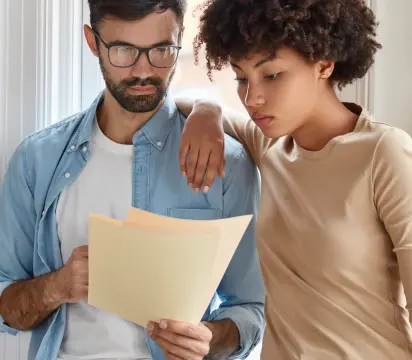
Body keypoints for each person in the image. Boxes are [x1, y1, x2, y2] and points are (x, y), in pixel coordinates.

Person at [0, 1, 265, 359]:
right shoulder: (37, 160)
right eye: (124, 50)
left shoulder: (227, 164)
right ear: (92, 42)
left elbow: (251, 307)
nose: (144, 71)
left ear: (180, 40)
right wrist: (56, 287)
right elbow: (6, 306)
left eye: (161, 50)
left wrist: (210, 338)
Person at [175, 0, 412, 359]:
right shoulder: (269, 145)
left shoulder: (384, 153)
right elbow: (186, 100)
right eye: (241, 78)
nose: (252, 98)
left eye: (271, 75)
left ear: (324, 64)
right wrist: (207, 111)